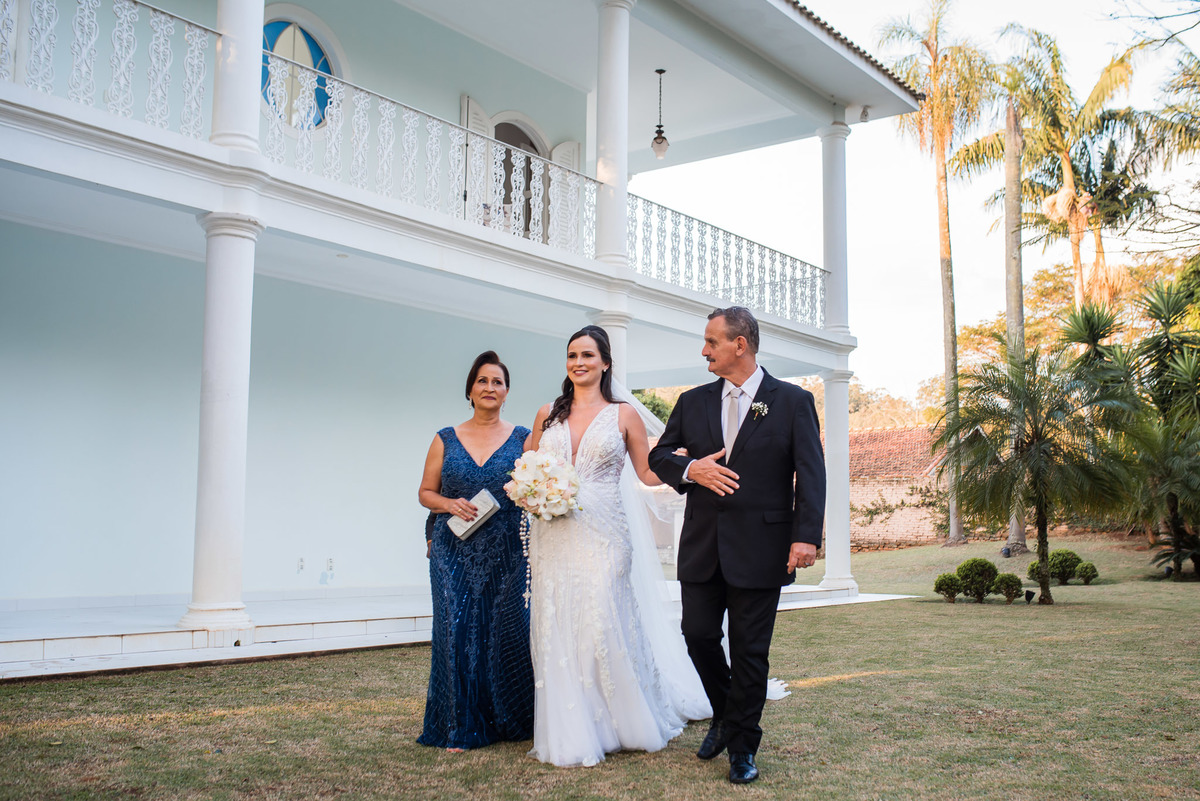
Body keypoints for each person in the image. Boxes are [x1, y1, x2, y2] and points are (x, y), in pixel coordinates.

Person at [648, 306, 826, 785]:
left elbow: (810, 473)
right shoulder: (692, 401)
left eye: (711, 341)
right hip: (703, 546)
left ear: (739, 344)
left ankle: (743, 747)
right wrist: (692, 470)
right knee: (698, 636)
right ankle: (727, 712)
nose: (703, 350)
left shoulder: (792, 401)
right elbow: (658, 456)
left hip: (763, 547)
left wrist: (806, 536)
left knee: (751, 653)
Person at [525, 325, 710, 767]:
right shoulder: (546, 413)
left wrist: (689, 469)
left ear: (605, 362)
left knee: (602, 617)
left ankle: (624, 721)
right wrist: (531, 490)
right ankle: (578, 726)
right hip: (554, 533)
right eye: (572, 355)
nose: (578, 362)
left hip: (606, 532)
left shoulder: (623, 414)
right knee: (559, 620)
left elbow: (647, 474)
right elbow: (528, 462)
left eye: (588, 354)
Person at [416, 351, 534, 751]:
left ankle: (509, 719)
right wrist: (449, 504)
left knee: (504, 631)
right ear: (470, 390)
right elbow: (425, 493)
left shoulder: (524, 438)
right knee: (458, 628)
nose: (489, 388)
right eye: (482, 381)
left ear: (506, 392)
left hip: (507, 550)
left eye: (497, 382)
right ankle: (460, 725)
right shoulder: (444, 438)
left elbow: (536, 487)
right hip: (454, 549)